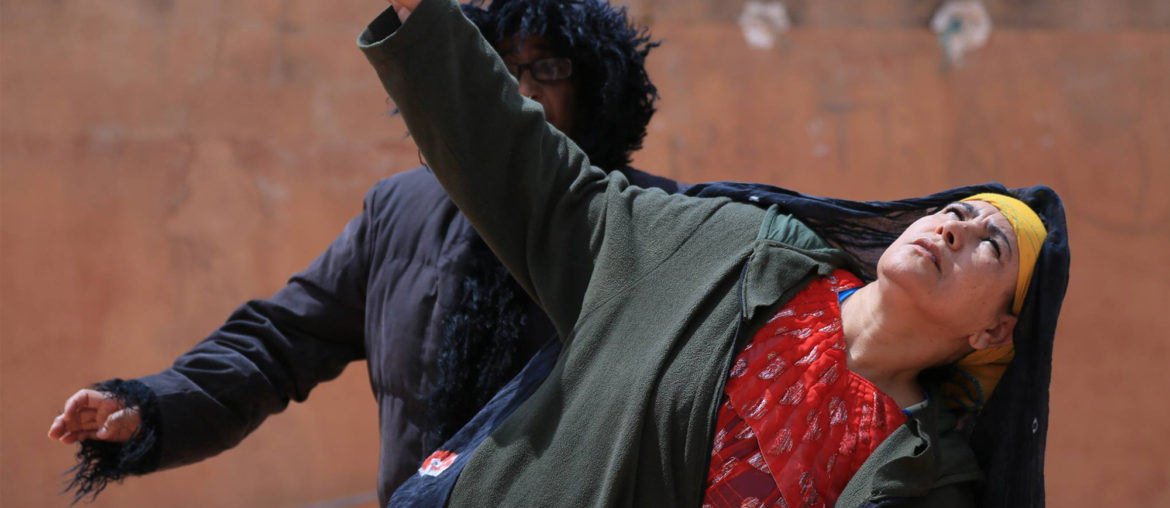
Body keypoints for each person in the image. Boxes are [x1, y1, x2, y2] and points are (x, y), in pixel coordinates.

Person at [359, 1, 1069, 507]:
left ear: (995, 331)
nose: (955, 230)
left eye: (992, 244)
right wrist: (425, 19)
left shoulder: (924, 479)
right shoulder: (736, 247)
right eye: (957, 211)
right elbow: (551, 190)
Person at [46, 1, 679, 505]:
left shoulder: (646, 226)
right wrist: (150, 406)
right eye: (502, 65)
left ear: (599, 86)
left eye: (550, 68)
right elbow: (278, 340)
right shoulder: (400, 212)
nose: (523, 89)